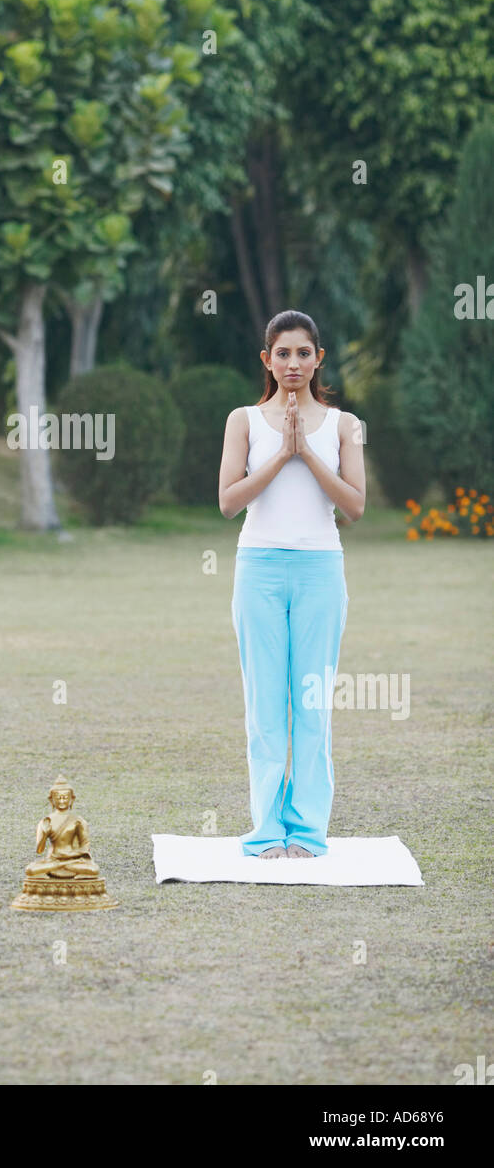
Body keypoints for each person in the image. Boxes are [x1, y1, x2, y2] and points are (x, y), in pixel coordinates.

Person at [217, 310, 366, 859]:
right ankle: (265, 832)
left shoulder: (343, 424)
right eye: (283, 353)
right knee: (264, 706)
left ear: (318, 358)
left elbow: (354, 506)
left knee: (311, 704)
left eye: (304, 353)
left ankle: (306, 831)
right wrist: (282, 453)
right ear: (267, 360)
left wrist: (307, 451)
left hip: (319, 571)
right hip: (258, 569)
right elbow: (229, 501)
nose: (293, 363)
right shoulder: (244, 421)